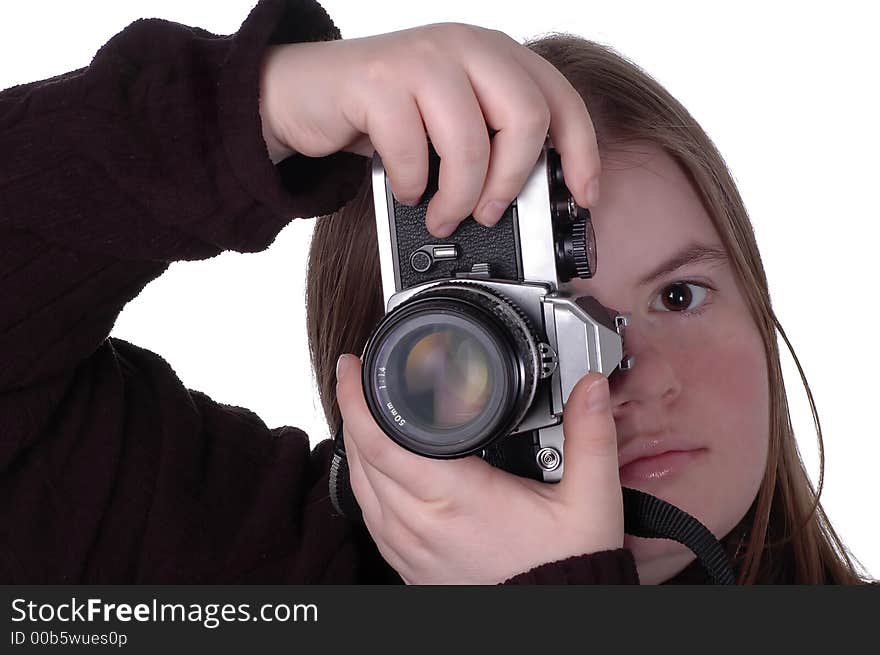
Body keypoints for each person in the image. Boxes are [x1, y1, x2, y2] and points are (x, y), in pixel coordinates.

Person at [0, 0, 868, 584]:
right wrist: (246, 111)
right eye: (531, 320)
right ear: (381, 357)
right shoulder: (252, 565)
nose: (620, 373)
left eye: (679, 295)